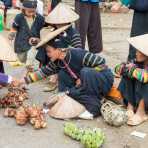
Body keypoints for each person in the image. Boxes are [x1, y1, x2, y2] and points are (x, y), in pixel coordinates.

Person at [21, 29, 114, 119]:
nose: (47, 54)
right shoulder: (56, 61)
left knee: (86, 72)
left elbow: (102, 64)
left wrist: (83, 78)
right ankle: (77, 98)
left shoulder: (79, 54)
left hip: (102, 80)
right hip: (83, 85)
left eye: (49, 51)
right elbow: (43, 72)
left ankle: (95, 108)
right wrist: (23, 81)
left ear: (59, 49)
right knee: (64, 81)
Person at [36, 3, 82, 92]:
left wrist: (63, 50)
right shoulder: (55, 31)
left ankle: (57, 77)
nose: (58, 25)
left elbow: (78, 50)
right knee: (44, 49)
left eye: (60, 23)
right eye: (57, 23)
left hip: (68, 58)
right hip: (56, 57)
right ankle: (52, 74)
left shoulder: (74, 34)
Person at [115, 34, 148, 126]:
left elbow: (145, 77)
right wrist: (127, 69)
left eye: (139, 51)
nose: (136, 53)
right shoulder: (137, 62)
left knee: (143, 79)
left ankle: (141, 113)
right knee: (128, 74)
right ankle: (130, 107)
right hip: (137, 98)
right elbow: (116, 70)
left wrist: (132, 70)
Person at [8, 0, 44, 64]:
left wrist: (39, 39)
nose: (31, 13)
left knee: (31, 64)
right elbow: (14, 28)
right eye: (29, 12)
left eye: (33, 11)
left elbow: (42, 30)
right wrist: (11, 35)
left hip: (34, 45)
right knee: (21, 62)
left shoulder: (40, 18)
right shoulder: (19, 17)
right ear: (23, 10)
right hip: (21, 44)